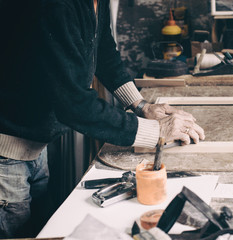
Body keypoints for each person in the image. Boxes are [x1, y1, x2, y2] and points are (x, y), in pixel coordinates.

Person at [0, 0, 205, 238]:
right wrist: (155, 132)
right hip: (6, 154)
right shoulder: (53, 6)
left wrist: (140, 105)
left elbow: (103, 50)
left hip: (34, 146)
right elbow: (75, 104)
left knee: (39, 230)